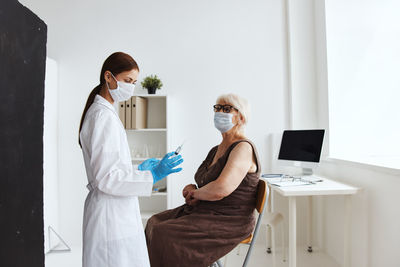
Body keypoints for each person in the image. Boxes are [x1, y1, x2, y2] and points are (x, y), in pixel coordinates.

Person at [78, 52, 183, 267]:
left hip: (115, 212)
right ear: (109, 77)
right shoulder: (102, 117)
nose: (131, 87)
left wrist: (138, 170)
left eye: (134, 82)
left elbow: (110, 167)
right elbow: (106, 178)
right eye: (127, 81)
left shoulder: (105, 113)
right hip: (110, 216)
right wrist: (151, 175)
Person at [145, 93, 260, 267]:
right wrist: (193, 187)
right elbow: (206, 182)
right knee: (154, 221)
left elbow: (221, 189)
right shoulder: (216, 149)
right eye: (217, 108)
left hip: (229, 219)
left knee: (164, 233)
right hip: (206, 210)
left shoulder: (243, 147)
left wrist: (196, 193)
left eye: (227, 109)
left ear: (241, 117)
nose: (220, 112)